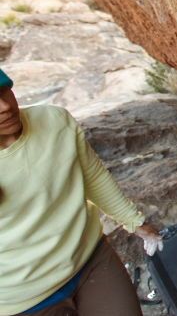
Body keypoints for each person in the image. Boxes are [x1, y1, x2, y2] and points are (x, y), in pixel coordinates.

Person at [0, 67, 163, 316]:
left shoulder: (54, 120)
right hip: (23, 300)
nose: (4, 107)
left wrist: (135, 221)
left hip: (91, 260)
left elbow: (93, 177)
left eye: (4, 91)